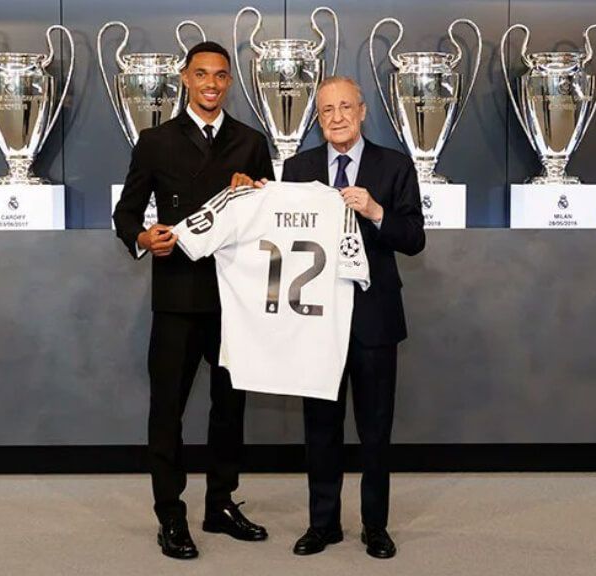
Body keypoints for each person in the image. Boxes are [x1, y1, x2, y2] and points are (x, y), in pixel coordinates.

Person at [113, 41, 275, 560]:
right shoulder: (155, 140)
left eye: (221, 76)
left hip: (234, 297)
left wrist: (256, 190)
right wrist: (142, 238)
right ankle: (170, 513)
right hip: (178, 295)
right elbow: (126, 214)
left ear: (230, 83)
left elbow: (269, 214)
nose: (211, 83)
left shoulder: (250, 141)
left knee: (230, 407)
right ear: (185, 78)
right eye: (201, 74)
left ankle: (221, 504)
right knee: (168, 411)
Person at [282, 76, 426, 559]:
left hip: (374, 318)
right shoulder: (296, 168)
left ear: (363, 112)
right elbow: (282, 237)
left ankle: (375, 526)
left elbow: (413, 237)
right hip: (315, 319)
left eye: (346, 107)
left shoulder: (395, 165)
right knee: (319, 427)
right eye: (327, 110)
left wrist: (377, 210)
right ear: (317, 118)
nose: (337, 116)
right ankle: (322, 525)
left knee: (375, 428)